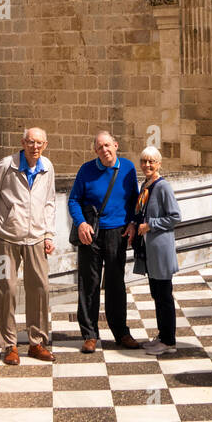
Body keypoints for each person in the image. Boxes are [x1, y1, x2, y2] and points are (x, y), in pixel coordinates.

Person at [0, 127, 56, 365]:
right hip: (7, 239)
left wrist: (49, 234)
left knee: (40, 289)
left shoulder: (48, 167)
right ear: (23, 142)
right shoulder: (6, 166)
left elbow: (49, 203)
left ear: (45, 145)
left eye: (40, 143)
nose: (35, 147)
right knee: (6, 290)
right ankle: (8, 345)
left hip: (37, 239)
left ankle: (36, 342)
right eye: (30, 142)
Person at [68, 131, 140, 352]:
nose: (104, 150)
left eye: (107, 145)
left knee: (116, 285)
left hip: (116, 233)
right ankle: (90, 334)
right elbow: (74, 200)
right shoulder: (86, 170)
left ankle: (121, 333)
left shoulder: (127, 168)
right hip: (91, 233)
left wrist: (133, 223)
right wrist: (80, 223)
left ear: (116, 145)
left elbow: (135, 200)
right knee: (88, 284)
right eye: (100, 147)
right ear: (95, 151)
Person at [128, 146, 182, 356]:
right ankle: (162, 335)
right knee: (157, 294)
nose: (147, 165)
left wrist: (151, 225)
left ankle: (169, 341)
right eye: (144, 161)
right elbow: (139, 211)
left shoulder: (163, 187)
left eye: (152, 161)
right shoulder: (146, 185)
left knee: (164, 295)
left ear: (159, 164)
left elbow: (175, 216)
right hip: (149, 249)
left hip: (160, 248)